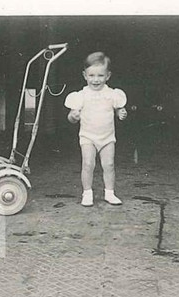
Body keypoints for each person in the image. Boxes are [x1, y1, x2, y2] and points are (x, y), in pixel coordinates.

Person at [65, 51, 128, 207]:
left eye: (100, 75)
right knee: (88, 164)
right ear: (85, 75)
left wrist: (121, 112)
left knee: (109, 165)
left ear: (108, 76)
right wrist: (73, 116)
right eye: (91, 75)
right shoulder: (81, 95)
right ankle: (87, 193)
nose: (95, 79)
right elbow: (71, 117)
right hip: (88, 136)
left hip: (107, 137)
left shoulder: (112, 94)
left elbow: (118, 108)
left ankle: (110, 193)